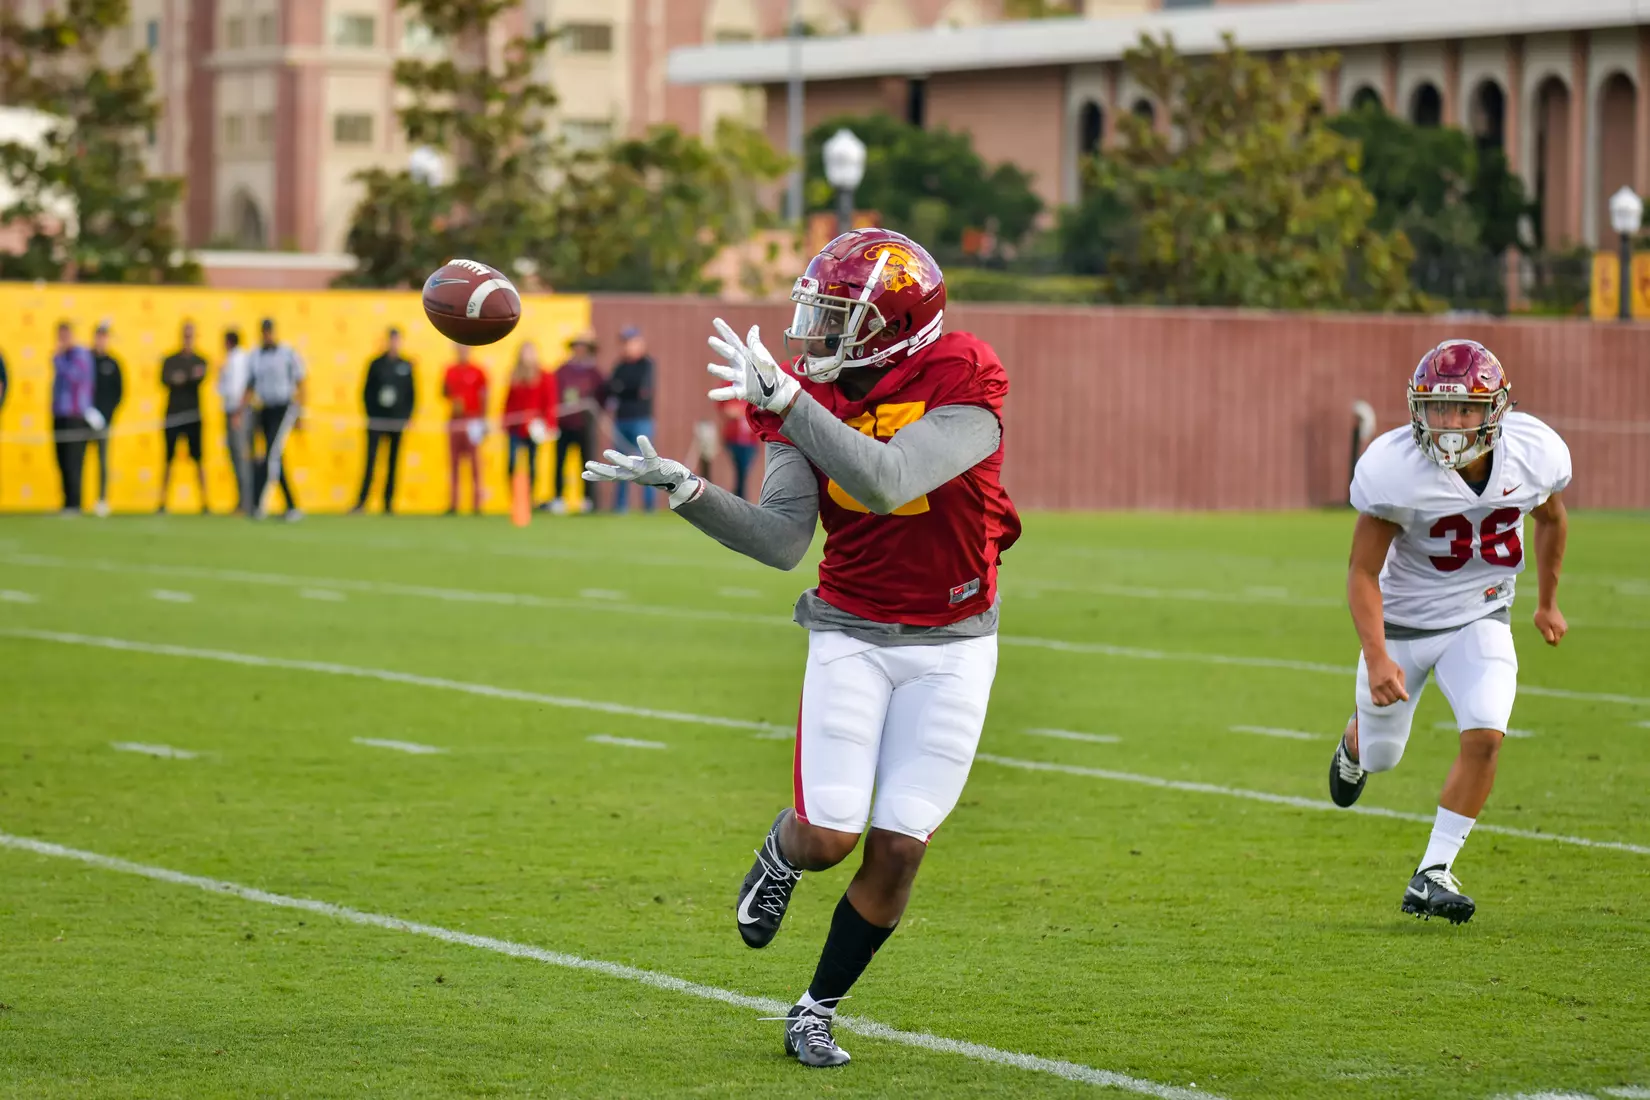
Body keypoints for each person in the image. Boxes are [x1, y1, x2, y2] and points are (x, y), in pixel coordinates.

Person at [585, 229, 1019, 1069]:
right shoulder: (803, 391)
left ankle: (815, 1009)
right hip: (852, 630)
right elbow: (785, 539)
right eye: (816, 311)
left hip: (955, 643)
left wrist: (791, 404)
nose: (815, 332)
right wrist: (690, 491)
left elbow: (892, 477)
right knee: (828, 838)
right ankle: (781, 853)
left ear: (893, 324)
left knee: (899, 851)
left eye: (837, 316)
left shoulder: (964, 374)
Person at [1330, 339, 1571, 926]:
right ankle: (1357, 743)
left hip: (1479, 615)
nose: (1451, 423)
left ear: (1495, 409)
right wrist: (1378, 656)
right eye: (1438, 409)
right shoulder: (1398, 471)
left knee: (1487, 735)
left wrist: (1548, 602)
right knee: (1385, 757)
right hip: (1403, 626)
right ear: (1419, 410)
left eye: (1464, 408)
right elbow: (1362, 572)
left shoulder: (1530, 456)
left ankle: (1432, 871)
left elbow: (1553, 519)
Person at [248, 317, 306, 521]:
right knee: (273, 455)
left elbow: (301, 382)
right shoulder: (256, 355)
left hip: (284, 407)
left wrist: (301, 412)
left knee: (272, 453)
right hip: (265, 408)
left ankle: (259, 504)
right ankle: (291, 506)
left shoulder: (287, 353)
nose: (267, 335)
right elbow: (251, 384)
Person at [353, 326, 416, 515]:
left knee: (393, 464)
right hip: (377, 421)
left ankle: (388, 504)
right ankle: (362, 502)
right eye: (391, 340)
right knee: (371, 461)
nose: (394, 344)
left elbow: (411, 395)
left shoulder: (406, 365)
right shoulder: (376, 364)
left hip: (396, 422)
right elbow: (366, 392)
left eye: (397, 340)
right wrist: (371, 416)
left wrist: (406, 417)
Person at [550, 331, 607, 514]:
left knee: (587, 464)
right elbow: (553, 394)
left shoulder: (594, 373)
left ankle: (587, 500)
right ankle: (559, 498)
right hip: (564, 424)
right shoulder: (562, 371)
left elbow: (603, 395)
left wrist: (596, 410)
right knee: (560, 462)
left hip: (585, 425)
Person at [159, 320, 209, 513]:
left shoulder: (200, 359)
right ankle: (163, 502)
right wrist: (186, 376)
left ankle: (205, 502)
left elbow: (197, 377)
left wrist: (181, 377)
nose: (188, 337)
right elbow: (166, 379)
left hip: (193, 415)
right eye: (186, 334)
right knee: (168, 460)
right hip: (173, 415)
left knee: (198, 459)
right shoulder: (171, 360)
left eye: (191, 334)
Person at [606, 325, 656, 513]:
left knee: (648, 464)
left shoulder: (646, 365)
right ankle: (620, 506)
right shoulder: (620, 366)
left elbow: (640, 390)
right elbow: (612, 388)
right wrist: (622, 388)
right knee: (621, 464)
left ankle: (649, 506)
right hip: (622, 420)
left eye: (630, 342)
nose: (627, 347)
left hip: (641, 420)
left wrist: (622, 388)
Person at [50, 321, 96, 515]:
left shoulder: (80, 355)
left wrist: (59, 360)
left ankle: (75, 503)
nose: (62, 340)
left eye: (65, 336)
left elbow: (76, 378)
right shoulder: (63, 357)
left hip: (75, 415)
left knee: (74, 460)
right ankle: (67, 502)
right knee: (61, 459)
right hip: (60, 414)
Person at [442, 342, 488, 515]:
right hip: (455, 420)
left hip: (473, 419)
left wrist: (483, 420)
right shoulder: (450, 370)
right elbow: (445, 392)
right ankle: (454, 503)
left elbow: (484, 396)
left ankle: (477, 504)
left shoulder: (478, 371)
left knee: (475, 464)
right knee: (454, 463)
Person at [503, 341, 551, 502]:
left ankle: (529, 497)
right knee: (511, 462)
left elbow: (548, 402)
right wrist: (506, 421)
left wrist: (547, 423)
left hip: (533, 428)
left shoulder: (543, 375)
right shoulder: (515, 375)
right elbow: (509, 401)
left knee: (531, 463)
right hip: (515, 428)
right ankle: (514, 496)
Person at [88, 319, 123, 517]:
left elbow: (119, 393)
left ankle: (102, 499)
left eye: (104, 336)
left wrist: (106, 415)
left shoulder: (113, 363)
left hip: (104, 420)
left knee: (103, 461)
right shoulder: (86, 360)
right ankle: (74, 501)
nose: (101, 340)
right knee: (79, 460)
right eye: (99, 335)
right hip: (84, 418)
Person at [219, 329, 252, 515]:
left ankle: (245, 502)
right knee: (237, 456)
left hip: (237, 412)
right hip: (236, 411)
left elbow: (237, 388)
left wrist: (237, 413)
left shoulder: (236, 359)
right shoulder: (237, 357)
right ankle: (243, 500)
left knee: (240, 456)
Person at [720, 400, 759, 500]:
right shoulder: (729, 386)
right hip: (734, 440)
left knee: (743, 471)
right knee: (740, 471)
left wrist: (740, 411)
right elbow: (727, 409)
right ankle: (740, 498)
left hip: (750, 442)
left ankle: (739, 497)